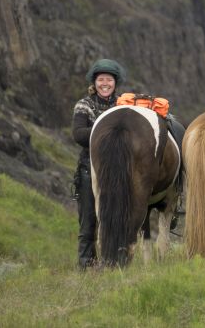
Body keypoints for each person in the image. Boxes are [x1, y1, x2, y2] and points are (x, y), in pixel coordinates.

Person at [71, 58, 126, 269]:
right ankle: (86, 266)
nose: (105, 83)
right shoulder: (84, 105)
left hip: (119, 171)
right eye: (101, 79)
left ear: (115, 82)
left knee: (116, 220)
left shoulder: (124, 105)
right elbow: (78, 134)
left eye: (109, 79)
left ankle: (114, 264)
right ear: (94, 82)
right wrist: (110, 133)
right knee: (88, 222)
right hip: (89, 168)